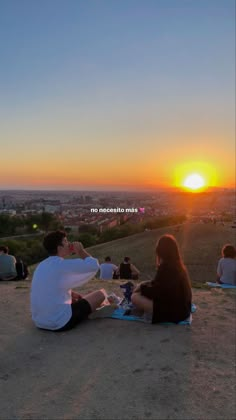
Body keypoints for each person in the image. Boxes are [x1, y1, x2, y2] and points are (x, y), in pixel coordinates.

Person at [30, 230, 114, 332]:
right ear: (59, 247)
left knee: (78, 298)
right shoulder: (61, 264)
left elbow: (52, 286)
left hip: (40, 321)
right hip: (59, 322)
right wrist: (80, 251)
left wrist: (73, 294)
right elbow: (93, 265)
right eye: (65, 241)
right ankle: (93, 312)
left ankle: (87, 308)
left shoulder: (42, 265)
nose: (69, 243)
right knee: (100, 294)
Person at [131, 234, 192, 324]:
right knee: (142, 287)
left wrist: (141, 289)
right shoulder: (178, 266)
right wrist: (142, 285)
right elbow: (160, 285)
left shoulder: (166, 267)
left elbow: (156, 292)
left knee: (134, 297)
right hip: (184, 310)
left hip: (175, 313)